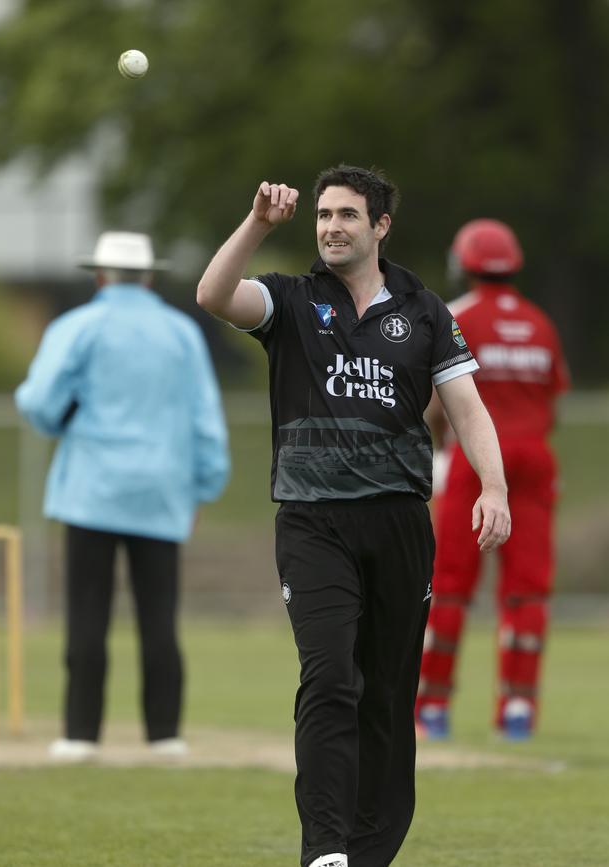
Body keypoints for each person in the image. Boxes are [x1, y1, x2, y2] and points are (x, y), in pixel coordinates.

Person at [196, 166, 510, 867]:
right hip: (314, 522)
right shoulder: (292, 300)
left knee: (389, 694)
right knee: (331, 674)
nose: (331, 226)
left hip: (399, 521)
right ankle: (326, 849)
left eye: (346, 215)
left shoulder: (424, 310)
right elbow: (213, 294)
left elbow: (466, 405)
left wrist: (494, 486)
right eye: (323, 215)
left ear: (380, 227)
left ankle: (370, 850)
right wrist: (257, 225)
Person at [15, 231, 230, 762]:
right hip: (161, 489)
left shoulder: (78, 327)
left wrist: (61, 417)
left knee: (87, 613)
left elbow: (40, 401)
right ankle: (165, 735)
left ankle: (79, 735)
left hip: (91, 487)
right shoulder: (181, 332)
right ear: (150, 277)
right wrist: (205, 484)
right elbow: (206, 418)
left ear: (99, 276)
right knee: (159, 614)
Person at [415, 219, 570, 741]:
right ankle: (519, 711)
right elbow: (554, 401)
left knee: (452, 587)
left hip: (478, 463)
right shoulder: (541, 322)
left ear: (464, 263)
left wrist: (439, 451)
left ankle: (433, 707)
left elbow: (438, 401)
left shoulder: (458, 315)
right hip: (535, 460)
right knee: (527, 592)